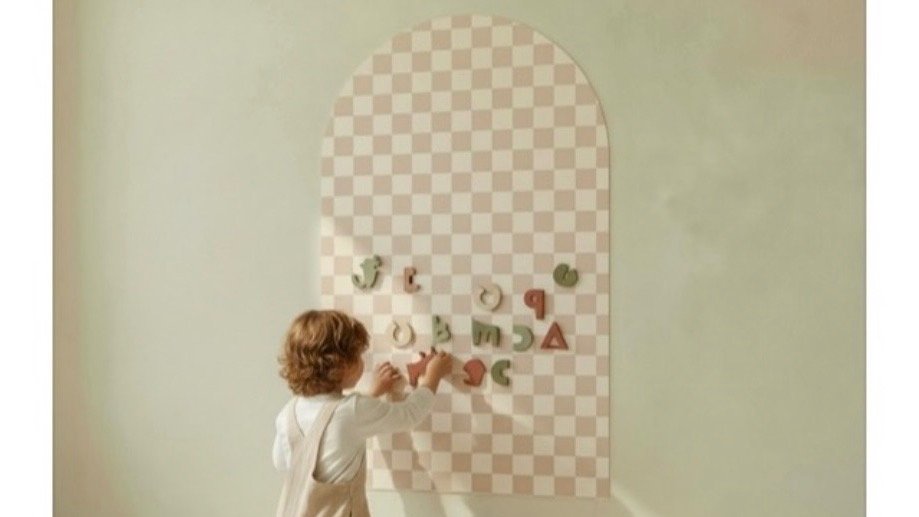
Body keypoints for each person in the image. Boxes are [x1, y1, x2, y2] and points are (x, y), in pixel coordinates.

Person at [272, 309, 452, 517]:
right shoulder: (354, 410)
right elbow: (410, 414)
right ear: (341, 365)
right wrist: (432, 377)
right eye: (358, 356)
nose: (362, 361)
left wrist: (373, 393)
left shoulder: (288, 413)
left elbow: (281, 462)